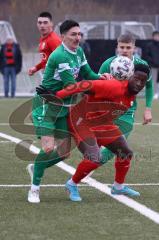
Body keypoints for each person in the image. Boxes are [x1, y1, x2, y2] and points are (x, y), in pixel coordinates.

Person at [27, 19, 107, 203]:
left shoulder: (78, 51)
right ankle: (34, 189)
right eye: (73, 34)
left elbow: (89, 74)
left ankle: (36, 167)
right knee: (48, 148)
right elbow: (71, 86)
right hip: (46, 106)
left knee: (64, 152)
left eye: (79, 34)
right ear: (63, 36)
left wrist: (102, 79)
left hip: (63, 108)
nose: (77, 37)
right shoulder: (60, 56)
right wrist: (97, 87)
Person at [55, 64, 150, 201]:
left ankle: (118, 187)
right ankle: (72, 184)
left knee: (125, 152)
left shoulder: (131, 96)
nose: (139, 83)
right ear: (129, 76)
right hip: (82, 121)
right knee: (95, 158)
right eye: (137, 78)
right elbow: (84, 85)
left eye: (143, 81)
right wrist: (57, 95)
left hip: (102, 124)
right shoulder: (113, 86)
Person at [98, 33, 153, 167]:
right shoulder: (108, 64)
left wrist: (148, 109)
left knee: (119, 144)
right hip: (107, 109)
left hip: (128, 110)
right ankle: (88, 167)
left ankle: (91, 166)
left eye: (128, 47)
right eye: (122, 47)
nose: (124, 50)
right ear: (117, 47)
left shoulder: (141, 65)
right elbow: (97, 85)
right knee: (100, 144)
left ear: (134, 48)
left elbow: (150, 86)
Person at [28, 12, 61, 76]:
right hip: (48, 77)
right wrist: (36, 68)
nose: (42, 25)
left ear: (51, 24)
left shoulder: (53, 40)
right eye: (40, 23)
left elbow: (61, 61)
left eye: (45, 22)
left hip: (54, 79)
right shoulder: (43, 39)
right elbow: (46, 60)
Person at [145, 30, 159, 99]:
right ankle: (155, 93)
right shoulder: (149, 45)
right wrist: (152, 62)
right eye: (156, 36)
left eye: (158, 36)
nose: (157, 37)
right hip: (153, 66)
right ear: (153, 37)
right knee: (153, 80)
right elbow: (147, 56)